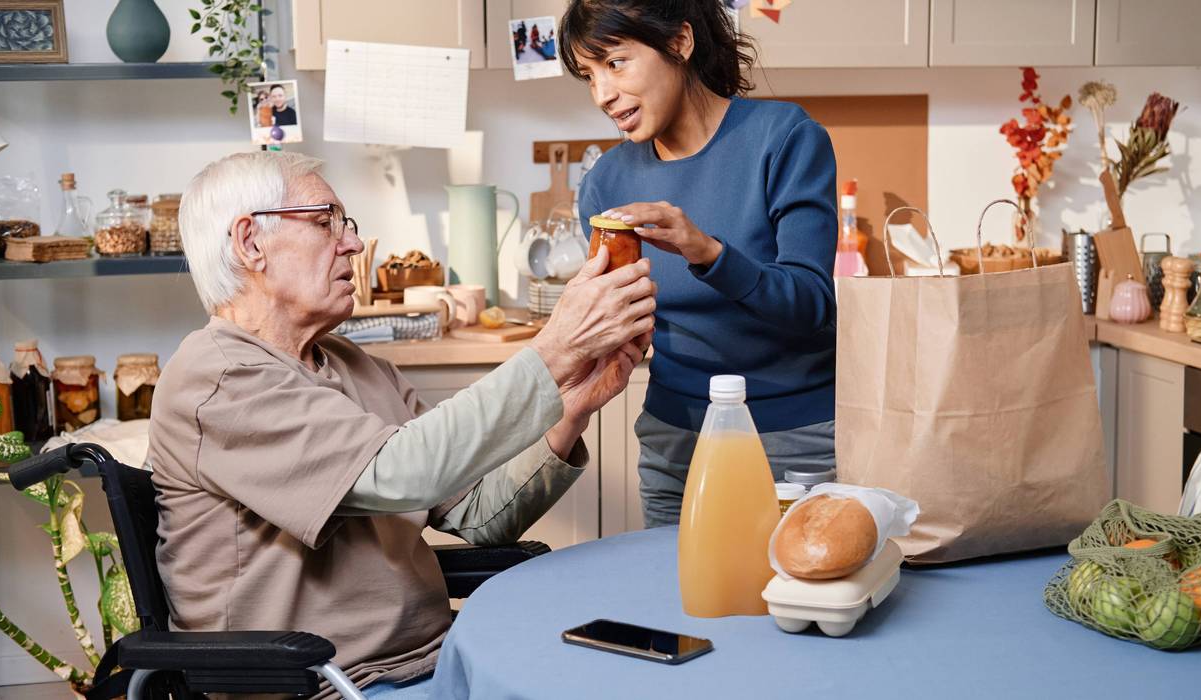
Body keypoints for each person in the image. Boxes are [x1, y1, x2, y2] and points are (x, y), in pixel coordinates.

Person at [149, 151, 655, 698]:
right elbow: (404, 474)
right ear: (251, 243)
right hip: (326, 684)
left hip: (438, 658)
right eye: (325, 222)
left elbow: (478, 513)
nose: (353, 244)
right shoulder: (218, 380)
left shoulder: (356, 365)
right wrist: (553, 348)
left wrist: (571, 404)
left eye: (346, 225)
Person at [561, 0, 838, 528]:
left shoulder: (785, 139)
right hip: (675, 443)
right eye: (589, 75)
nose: (603, 94)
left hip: (796, 443)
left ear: (680, 42)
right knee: (678, 603)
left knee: (796, 602)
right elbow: (627, 325)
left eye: (615, 63)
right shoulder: (606, 184)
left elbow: (812, 304)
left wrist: (706, 251)